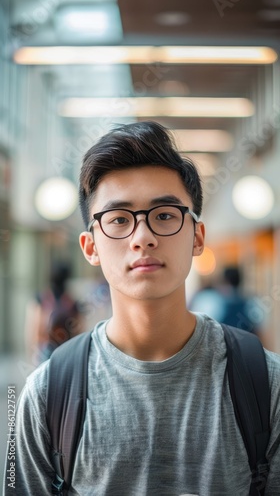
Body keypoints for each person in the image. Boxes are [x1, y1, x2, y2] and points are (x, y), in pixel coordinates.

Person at [4, 121, 280, 495]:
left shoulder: (265, 383)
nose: (143, 237)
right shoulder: (48, 393)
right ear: (90, 248)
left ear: (197, 237)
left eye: (164, 215)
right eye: (118, 219)